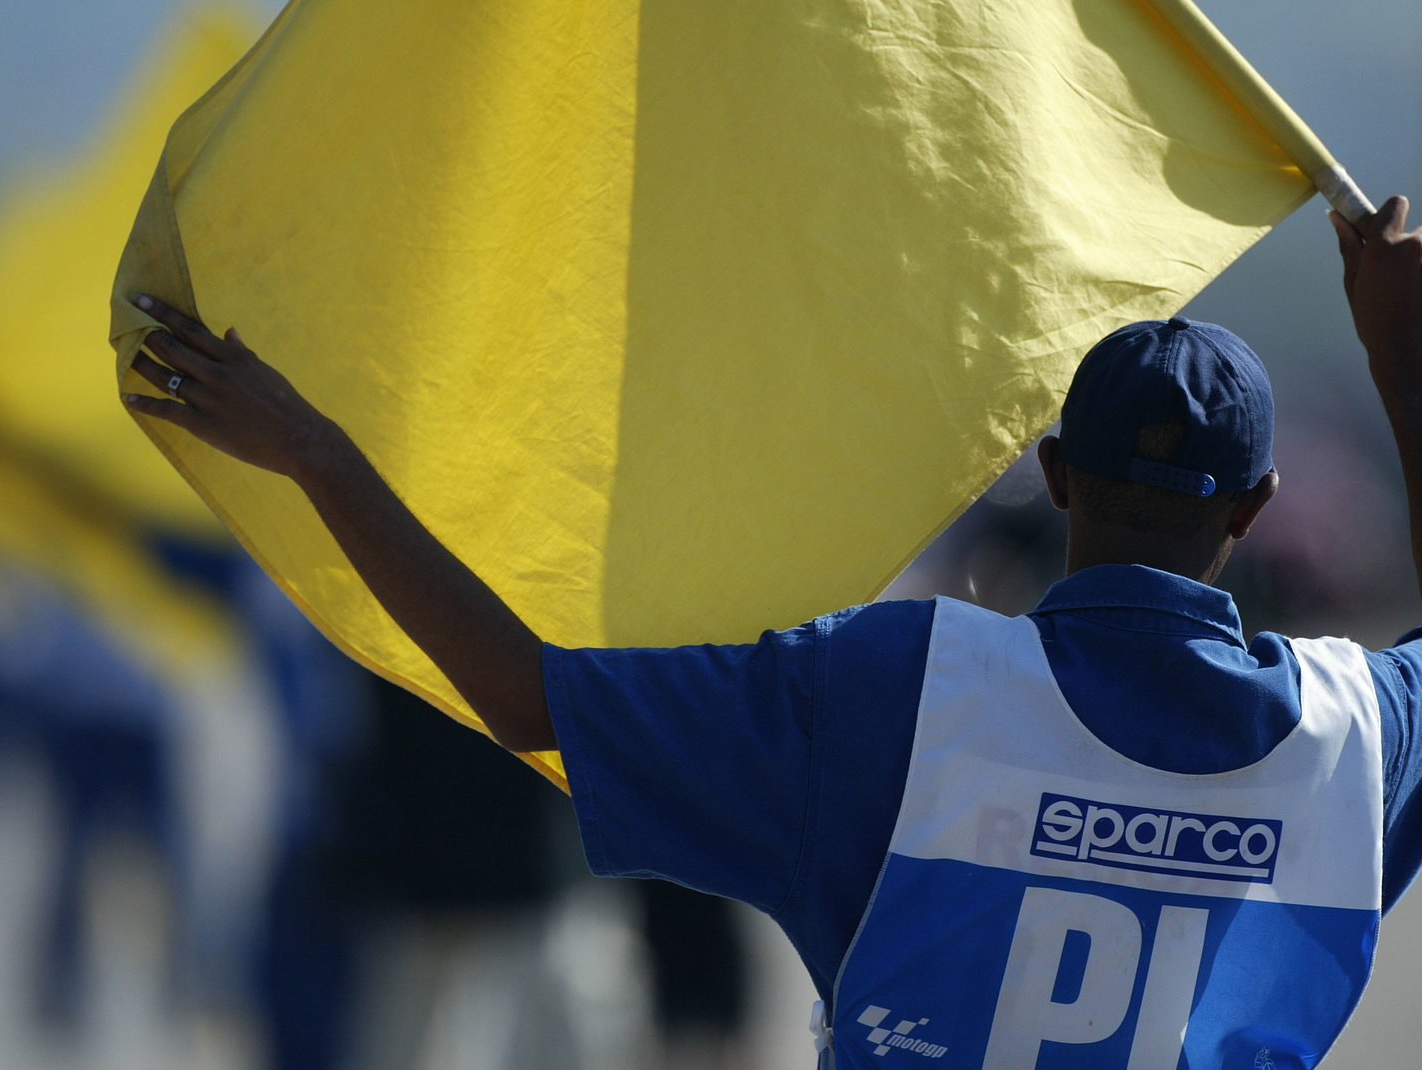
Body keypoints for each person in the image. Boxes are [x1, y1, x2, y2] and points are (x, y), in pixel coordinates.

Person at [120, 195, 1422, 1066]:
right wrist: (1402, 359)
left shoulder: (903, 687)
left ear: (1057, 474)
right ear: (1256, 508)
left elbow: (526, 697)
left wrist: (320, 453)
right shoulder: (1356, 735)